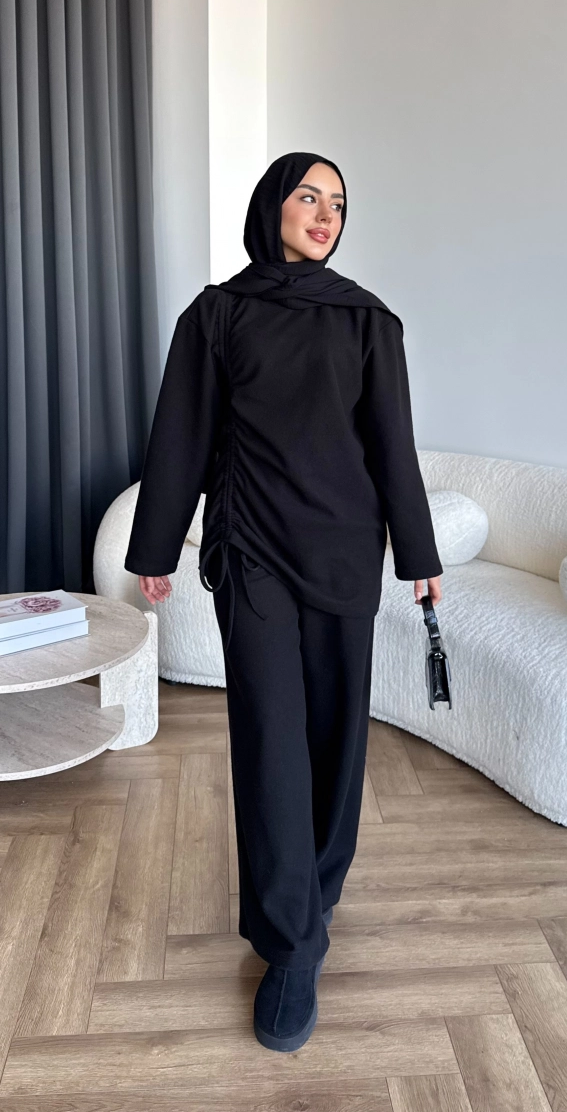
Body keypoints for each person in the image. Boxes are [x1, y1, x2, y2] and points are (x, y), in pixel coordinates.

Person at [123, 151, 443, 1051]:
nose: (325, 212)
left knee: (336, 736)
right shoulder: (216, 315)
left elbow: (392, 445)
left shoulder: (369, 321)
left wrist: (419, 553)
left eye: (337, 201)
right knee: (270, 736)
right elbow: (181, 434)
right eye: (309, 195)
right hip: (253, 550)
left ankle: (318, 887)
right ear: (272, 205)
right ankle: (292, 945)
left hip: (344, 553)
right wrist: (155, 546)